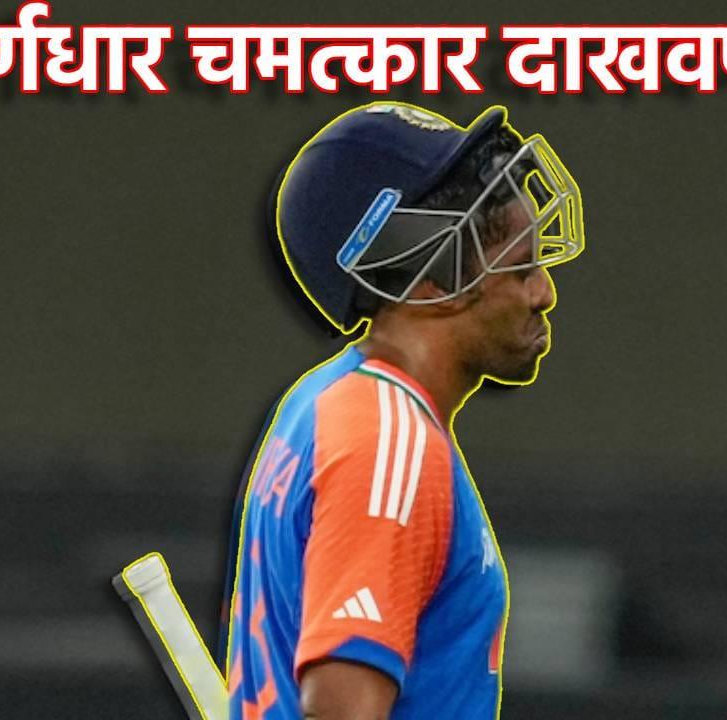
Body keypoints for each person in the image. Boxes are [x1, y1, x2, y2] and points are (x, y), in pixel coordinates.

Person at [221, 102, 585, 720]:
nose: (544, 292)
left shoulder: (321, 399)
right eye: (522, 267)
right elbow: (341, 710)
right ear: (429, 280)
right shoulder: (388, 444)